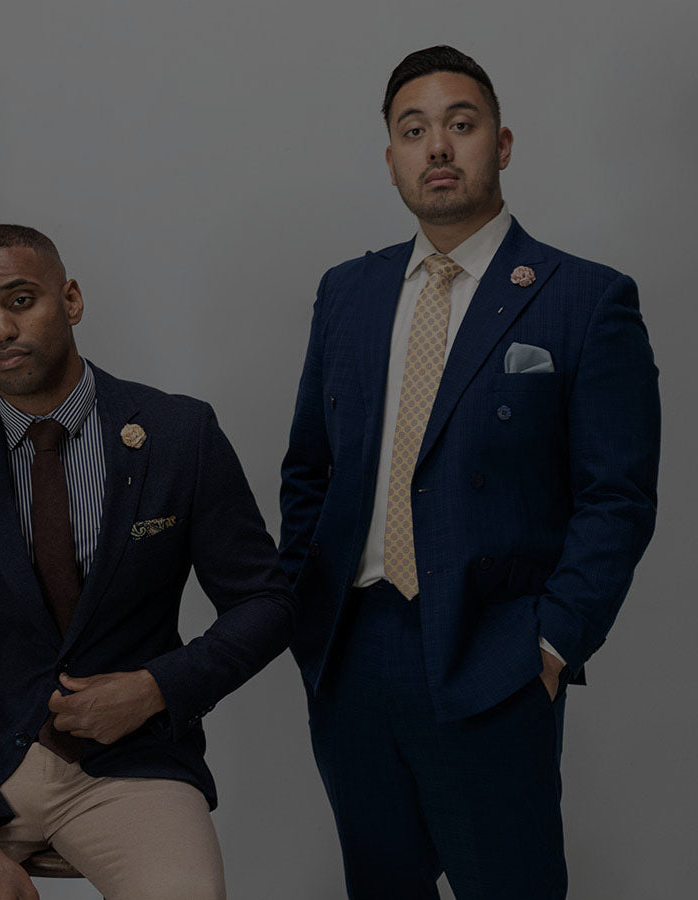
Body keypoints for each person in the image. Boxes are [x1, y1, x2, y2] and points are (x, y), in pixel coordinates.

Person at [279, 45, 660, 899]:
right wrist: (309, 613)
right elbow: (310, 468)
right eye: (413, 131)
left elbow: (618, 497)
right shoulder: (348, 292)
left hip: (495, 650)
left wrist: (551, 645)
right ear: (391, 161)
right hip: (354, 651)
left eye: (461, 124)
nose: (438, 148)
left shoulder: (584, 297)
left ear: (503, 142)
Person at [0, 224, 295, 899]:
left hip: (132, 762)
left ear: (72, 299)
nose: (0, 329)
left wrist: (157, 687)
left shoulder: (176, 434)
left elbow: (268, 602)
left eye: (20, 300)